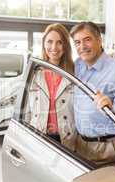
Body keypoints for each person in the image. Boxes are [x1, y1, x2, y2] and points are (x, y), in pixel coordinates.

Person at [70, 22, 115, 168]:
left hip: (106, 148)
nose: (82, 46)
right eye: (77, 42)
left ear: (99, 40)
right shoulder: (78, 65)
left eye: (87, 40)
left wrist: (112, 107)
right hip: (80, 144)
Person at [24, 23, 76, 151]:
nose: (54, 47)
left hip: (66, 139)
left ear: (66, 46)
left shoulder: (74, 73)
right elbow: (26, 110)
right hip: (38, 136)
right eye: (50, 42)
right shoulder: (34, 72)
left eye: (59, 42)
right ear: (43, 44)